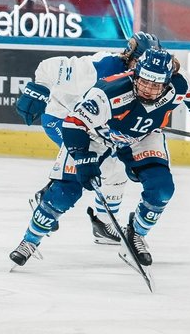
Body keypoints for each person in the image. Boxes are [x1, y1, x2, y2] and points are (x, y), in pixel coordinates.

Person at [9, 48, 190, 268]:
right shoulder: (108, 92)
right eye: (144, 82)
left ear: (168, 82)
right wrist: (83, 158)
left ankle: (136, 235)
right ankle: (30, 241)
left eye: (156, 85)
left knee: (162, 189)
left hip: (142, 137)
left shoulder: (181, 82)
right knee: (65, 192)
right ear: (135, 75)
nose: (148, 90)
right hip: (95, 136)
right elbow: (73, 124)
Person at [15, 32, 161, 242]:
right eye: (140, 61)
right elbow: (48, 67)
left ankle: (103, 223)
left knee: (116, 168)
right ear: (129, 56)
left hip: (91, 126)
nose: (145, 69)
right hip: (61, 118)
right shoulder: (101, 67)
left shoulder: (143, 81)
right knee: (97, 165)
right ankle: (47, 196)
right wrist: (38, 90)